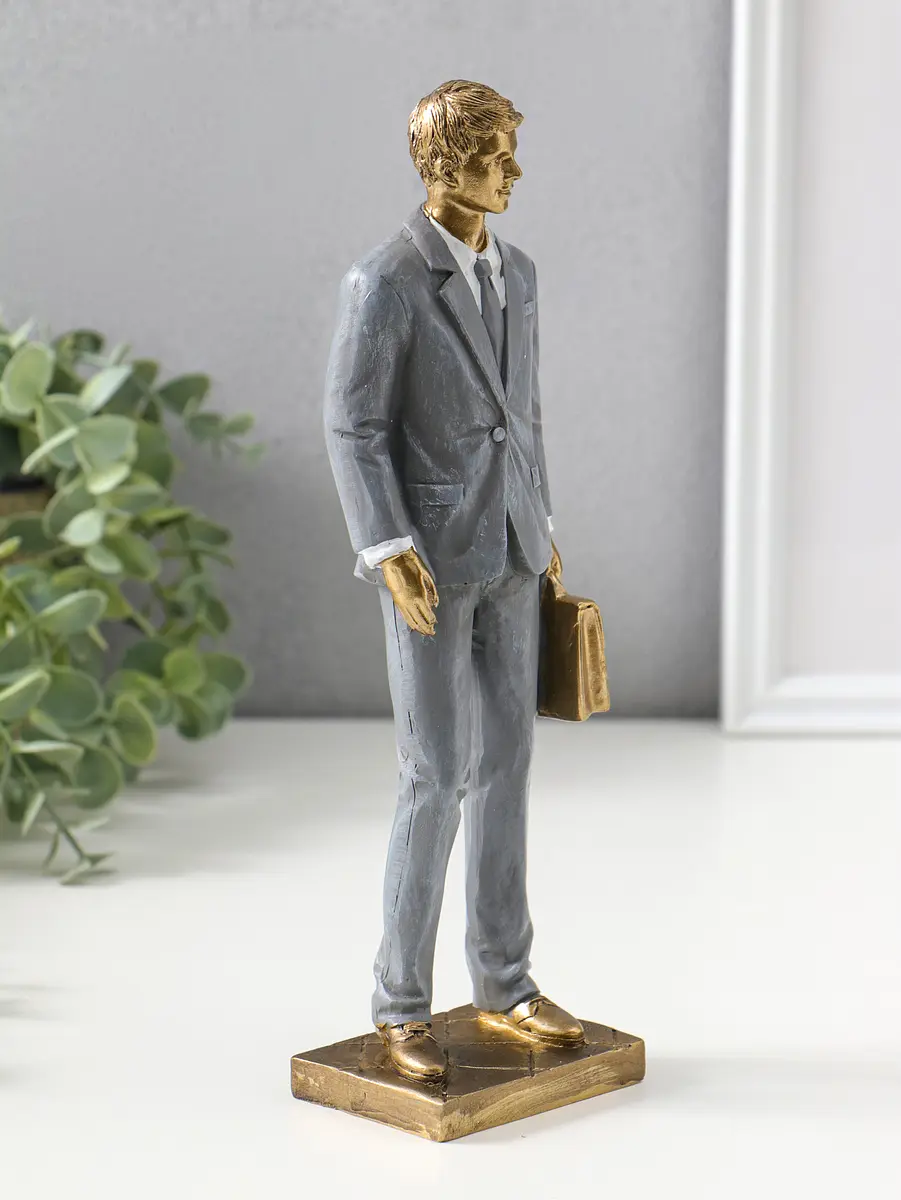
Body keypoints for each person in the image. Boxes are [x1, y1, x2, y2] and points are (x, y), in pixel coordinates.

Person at [324, 80, 584, 1084]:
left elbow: (525, 411)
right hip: (428, 564)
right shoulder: (385, 279)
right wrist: (387, 548)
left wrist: (542, 521)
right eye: (493, 156)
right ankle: (399, 1004)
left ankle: (505, 984)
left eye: (511, 152)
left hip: (512, 549)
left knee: (507, 763)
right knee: (432, 773)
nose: (512, 173)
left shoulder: (519, 271)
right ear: (442, 166)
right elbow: (353, 425)